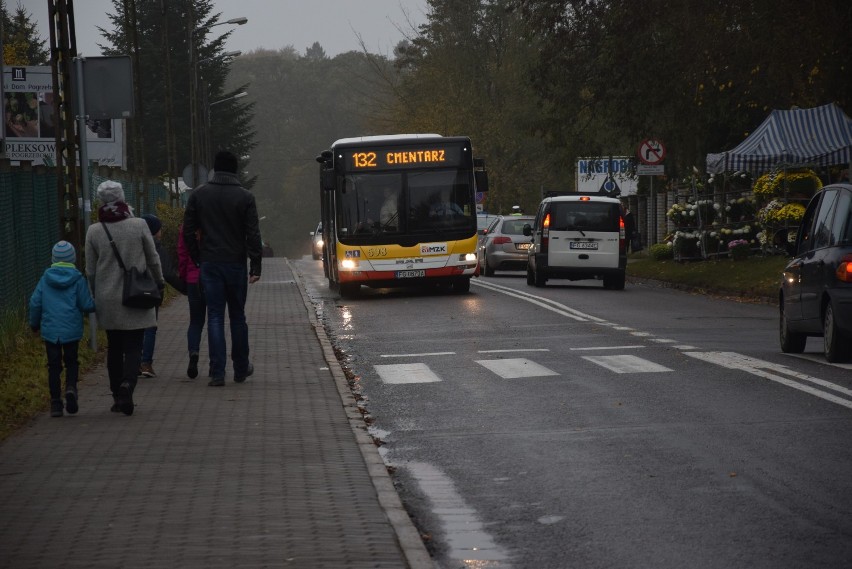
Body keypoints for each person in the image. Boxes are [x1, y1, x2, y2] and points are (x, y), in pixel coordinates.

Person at [182, 150, 262, 387]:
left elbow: (187, 231)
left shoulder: (199, 195)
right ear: (235, 169)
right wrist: (255, 265)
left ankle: (217, 372)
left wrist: (198, 258)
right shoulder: (245, 197)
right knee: (238, 317)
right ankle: (240, 368)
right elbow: (253, 233)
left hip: (210, 264)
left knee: (214, 317)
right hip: (236, 264)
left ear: (215, 169)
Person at [85, 180, 164, 415]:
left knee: (114, 347)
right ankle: (128, 384)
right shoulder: (139, 225)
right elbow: (153, 258)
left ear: (101, 200)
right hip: (137, 294)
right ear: (122, 198)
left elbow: (90, 270)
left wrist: (96, 292)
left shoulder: (94, 230)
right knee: (134, 346)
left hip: (107, 297)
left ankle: (116, 395)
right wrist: (158, 281)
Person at [28, 241, 96, 417]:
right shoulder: (78, 279)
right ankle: (71, 388)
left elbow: (35, 303)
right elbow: (86, 304)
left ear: (53, 259)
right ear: (72, 258)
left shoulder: (45, 280)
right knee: (72, 362)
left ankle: (56, 404)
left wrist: (34, 324)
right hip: (71, 330)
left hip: (51, 331)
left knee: (53, 366)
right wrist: (94, 305)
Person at [139, 213, 186, 378]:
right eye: (159, 229)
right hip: (152, 291)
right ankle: (145, 363)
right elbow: (168, 273)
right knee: (150, 327)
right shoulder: (157, 248)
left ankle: (134, 362)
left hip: (132, 291)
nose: (161, 232)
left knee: (135, 327)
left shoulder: (133, 244)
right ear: (154, 231)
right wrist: (184, 289)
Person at [177, 221, 206, 379]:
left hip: (193, 279)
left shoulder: (185, 228)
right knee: (216, 319)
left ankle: (193, 353)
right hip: (212, 279)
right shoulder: (212, 223)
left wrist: (183, 276)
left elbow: (181, 254)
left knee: (195, 322)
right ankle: (215, 365)